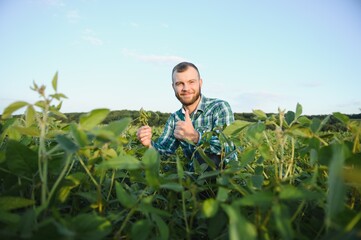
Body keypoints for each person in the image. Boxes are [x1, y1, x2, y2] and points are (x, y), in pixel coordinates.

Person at [137, 62, 235, 170]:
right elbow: (164, 152)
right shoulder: (175, 118)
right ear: (173, 87)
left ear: (200, 83)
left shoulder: (219, 107)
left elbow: (229, 148)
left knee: (210, 159)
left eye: (191, 82)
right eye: (179, 83)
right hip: (193, 176)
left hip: (225, 174)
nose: (185, 88)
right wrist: (148, 144)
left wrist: (196, 137)